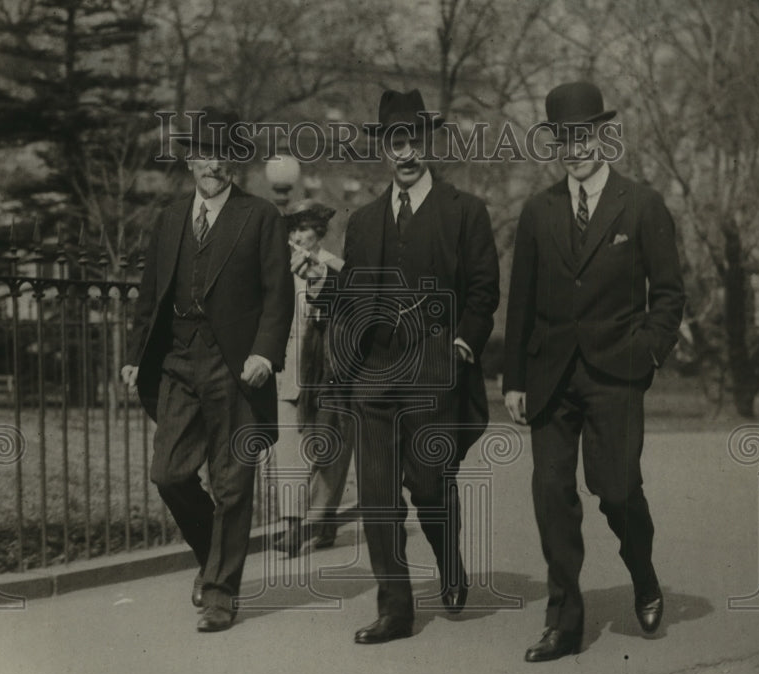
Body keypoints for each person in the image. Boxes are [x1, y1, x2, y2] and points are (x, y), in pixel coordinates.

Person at [295, 89, 500, 644]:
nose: (405, 152)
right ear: (384, 147)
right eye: (394, 141)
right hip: (373, 376)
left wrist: (461, 346)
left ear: (426, 142)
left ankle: (449, 561)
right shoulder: (362, 222)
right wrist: (326, 290)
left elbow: (483, 292)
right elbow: (358, 295)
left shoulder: (465, 212)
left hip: (435, 373)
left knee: (429, 485)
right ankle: (396, 609)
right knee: (380, 495)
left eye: (413, 139)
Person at [502, 81, 685, 661]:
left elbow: (671, 294)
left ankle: (643, 572)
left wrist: (648, 353)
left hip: (616, 374)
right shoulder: (538, 211)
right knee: (552, 493)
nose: (575, 147)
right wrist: (512, 380)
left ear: (604, 135)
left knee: (617, 490)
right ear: (555, 143)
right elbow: (522, 300)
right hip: (550, 376)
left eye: (584, 135)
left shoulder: (641, 203)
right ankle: (564, 622)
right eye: (564, 138)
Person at [121, 105, 293, 633]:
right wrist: (132, 355)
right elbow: (150, 295)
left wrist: (265, 353)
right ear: (189, 159)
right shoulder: (171, 218)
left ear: (235, 162)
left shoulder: (259, 216)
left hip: (236, 366)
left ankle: (220, 593)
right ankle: (211, 557)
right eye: (202, 155)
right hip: (178, 360)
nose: (210, 165)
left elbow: (277, 294)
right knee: (168, 473)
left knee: (233, 484)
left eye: (221, 156)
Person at [271, 199, 355, 556]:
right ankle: (292, 526)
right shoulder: (279, 270)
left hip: (329, 371)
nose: (297, 236)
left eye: (304, 229)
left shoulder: (336, 267)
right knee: (288, 450)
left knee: (328, 448)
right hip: (290, 370)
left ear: (318, 232)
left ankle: (322, 519)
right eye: (293, 229)